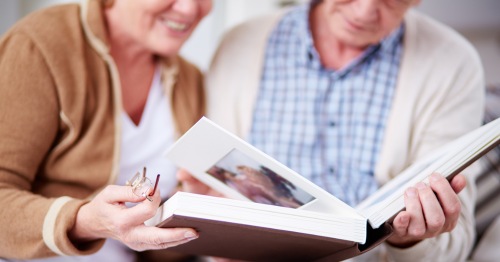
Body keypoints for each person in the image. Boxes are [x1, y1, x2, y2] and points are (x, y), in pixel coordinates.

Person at [179, 0, 485, 261]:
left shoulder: (453, 65)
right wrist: (217, 217)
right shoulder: (239, 44)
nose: (365, 11)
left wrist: (412, 240)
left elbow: (456, 247)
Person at [0, 0, 211, 260]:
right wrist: (84, 222)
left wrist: (192, 212)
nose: (189, 9)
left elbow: (158, 245)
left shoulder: (191, 80)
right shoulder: (39, 46)